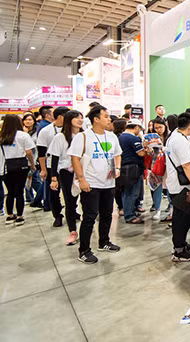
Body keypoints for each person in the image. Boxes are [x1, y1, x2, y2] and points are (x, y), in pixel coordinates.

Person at [69, 104, 123, 264]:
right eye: (106, 116)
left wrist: (117, 168)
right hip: (91, 183)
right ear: (96, 119)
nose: (109, 119)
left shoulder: (111, 136)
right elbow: (75, 158)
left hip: (109, 182)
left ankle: (104, 241)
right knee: (89, 217)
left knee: (107, 214)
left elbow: (117, 154)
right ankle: (84, 250)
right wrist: (82, 179)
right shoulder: (83, 136)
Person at [165, 112, 190, 262]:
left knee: (184, 217)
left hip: (176, 183)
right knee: (181, 219)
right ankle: (179, 250)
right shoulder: (179, 140)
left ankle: (182, 244)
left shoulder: (175, 136)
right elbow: (186, 165)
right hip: (181, 186)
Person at [48, 110, 84, 245]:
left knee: (87, 201)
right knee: (70, 202)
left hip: (85, 172)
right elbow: (55, 158)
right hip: (67, 172)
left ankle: (86, 226)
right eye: (76, 118)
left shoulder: (85, 135)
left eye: (81, 117)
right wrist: (54, 178)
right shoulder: (60, 137)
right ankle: (72, 231)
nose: (80, 120)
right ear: (68, 120)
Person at [1, 114, 36, 226]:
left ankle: (10, 215)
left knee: (10, 192)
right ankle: (20, 216)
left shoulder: (2, 136)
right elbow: (29, 152)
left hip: (6, 166)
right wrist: (32, 164)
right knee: (20, 191)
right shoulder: (23, 135)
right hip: (21, 165)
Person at [37, 106, 70, 226]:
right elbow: (41, 152)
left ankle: (72, 212)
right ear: (60, 117)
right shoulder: (46, 131)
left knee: (71, 192)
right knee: (54, 193)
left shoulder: (72, 130)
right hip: (52, 166)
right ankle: (57, 215)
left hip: (68, 166)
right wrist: (43, 169)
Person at [118, 118, 147, 224]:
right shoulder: (133, 138)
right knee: (133, 192)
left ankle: (128, 211)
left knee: (126, 192)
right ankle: (130, 215)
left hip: (123, 167)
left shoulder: (120, 137)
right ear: (136, 127)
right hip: (133, 168)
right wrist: (147, 149)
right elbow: (141, 153)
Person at [148, 117, 168, 220]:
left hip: (168, 165)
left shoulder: (170, 137)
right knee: (156, 187)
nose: (158, 130)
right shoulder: (151, 137)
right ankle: (158, 209)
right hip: (156, 165)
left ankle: (171, 209)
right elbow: (150, 154)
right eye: (156, 128)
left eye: (160, 127)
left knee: (170, 188)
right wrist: (148, 148)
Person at [22, 113, 43, 206]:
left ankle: (40, 197)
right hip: (23, 160)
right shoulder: (21, 132)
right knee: (28, 179)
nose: (28, 121)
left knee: (35, 179)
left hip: (34, 158)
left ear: (34, 121)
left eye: (30, 119)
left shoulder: (37, 132)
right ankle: (29, 198)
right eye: (26, 120)